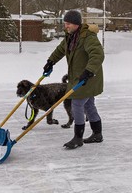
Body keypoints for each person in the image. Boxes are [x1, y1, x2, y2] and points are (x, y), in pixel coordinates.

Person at [43, 10, 104, 149]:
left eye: (68, 23)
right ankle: (97, 134)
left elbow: (97, 54)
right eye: (65, 23)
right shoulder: (70, 36)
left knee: (76, 104)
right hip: (79, 77)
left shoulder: (88, 37)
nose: (66, 26)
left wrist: (89, 71)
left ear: (76, 24)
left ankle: (78, 138)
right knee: (88, 105)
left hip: (88, 77)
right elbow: (60, 49)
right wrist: (50, 61)